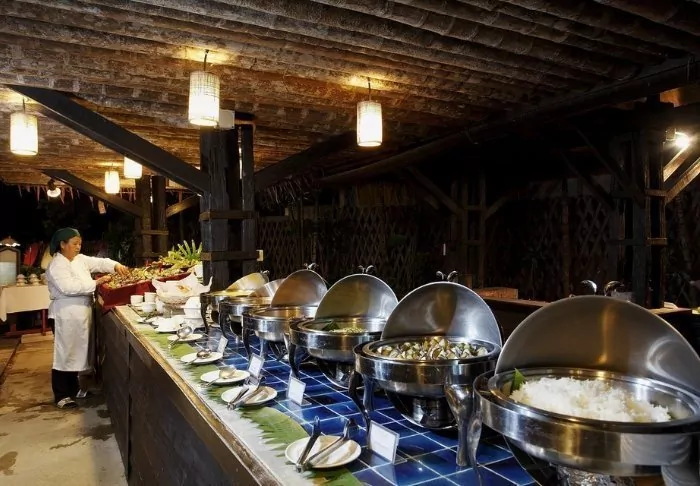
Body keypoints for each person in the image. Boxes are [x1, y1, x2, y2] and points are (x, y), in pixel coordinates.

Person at [45, 228, 129, 409]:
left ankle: (74, 388)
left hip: (80, 313)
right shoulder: (56, 265)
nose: (78, 247)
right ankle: (61, 395)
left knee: (76, 351)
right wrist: (96, 283)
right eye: (74, 243)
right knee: (65, 353)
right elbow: (68, 287)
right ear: (62, 244)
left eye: (80, 243)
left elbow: (99, 262)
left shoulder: (80, 260)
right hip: (65, 314)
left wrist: (116, 266)